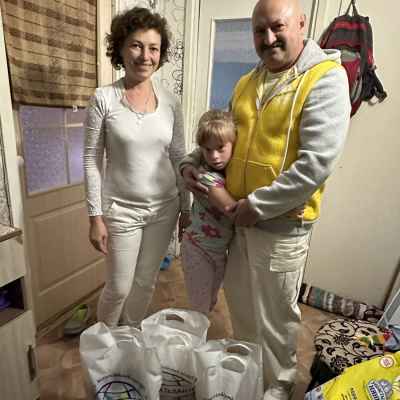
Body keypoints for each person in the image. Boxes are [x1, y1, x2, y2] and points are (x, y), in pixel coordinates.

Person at [181, 0, 351, 398]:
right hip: (236, 223)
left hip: (281, 225)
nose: (268, 38)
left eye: (277, 27)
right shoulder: (246, 82)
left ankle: (278, 384)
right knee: (241, 306)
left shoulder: (326, 78)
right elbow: (220, 137)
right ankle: (249, 375)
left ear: (301, 24)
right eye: (259, 30)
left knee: (276, 315)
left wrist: (255, 207)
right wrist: (189, 163)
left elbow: (316, 164)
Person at [84, 7, 190, 328]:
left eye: (153, 48)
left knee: (145, 283)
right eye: (136, 45)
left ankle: (128, 336)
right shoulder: (103, 98)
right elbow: (91, 160)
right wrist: (95, 217)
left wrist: (186, 209)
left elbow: (179, 157)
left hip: (165, 210)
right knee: (119, 287)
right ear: (120, 48)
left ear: (160, 53)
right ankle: (104, 341)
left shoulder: (170, 102)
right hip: (121, 211)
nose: (145, 56)